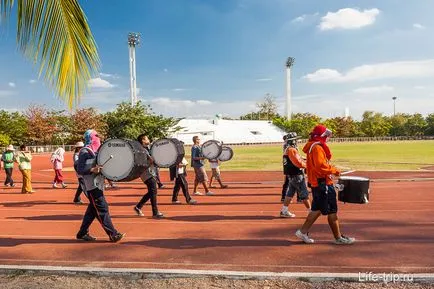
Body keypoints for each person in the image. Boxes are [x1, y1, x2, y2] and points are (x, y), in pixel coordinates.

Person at [295, 124, 355, 245]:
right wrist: (334, 170)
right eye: (326, 135)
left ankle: (303, 231)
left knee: (317, 209)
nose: (327, 138)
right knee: (332, 210)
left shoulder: (313, 146)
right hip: (323, 183)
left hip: (318, 183)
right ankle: (338, 238)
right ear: (321, 136)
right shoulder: (317, 148)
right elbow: (321, 166)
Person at [76, 129, 125, 242]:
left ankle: (82, 233)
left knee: (92, 211)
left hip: (97, 184)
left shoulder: (97, 151)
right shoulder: (85, 151)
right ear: (91, 137)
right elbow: (80, 169)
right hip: (91, 186)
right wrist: (93, 169)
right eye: (96, 136)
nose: (98, 138)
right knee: (102, 209)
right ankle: (113, 234)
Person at [279, 132, 311, 218]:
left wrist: (304, 159)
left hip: (292, 175)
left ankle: (284, 210)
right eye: (295, 140)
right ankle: (310, 211)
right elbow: (298, 163)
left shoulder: (288, 149)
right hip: (296, 174)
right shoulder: (292, 150)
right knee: (304, 193)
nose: (297, 141)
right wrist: (308, 165)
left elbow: (297, 159)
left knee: (290, 193)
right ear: (292, 141)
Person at [133, 133, 164, 218]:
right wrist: (150, 162)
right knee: (153, 192)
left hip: (150, 173)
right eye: (146, 139)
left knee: (152, 191)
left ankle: (138, 207)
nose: (148, 140)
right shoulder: (141, 151)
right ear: (143, 140)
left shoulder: (145, 149)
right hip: (146, 174)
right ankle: (155, 212)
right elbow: (141, 164)